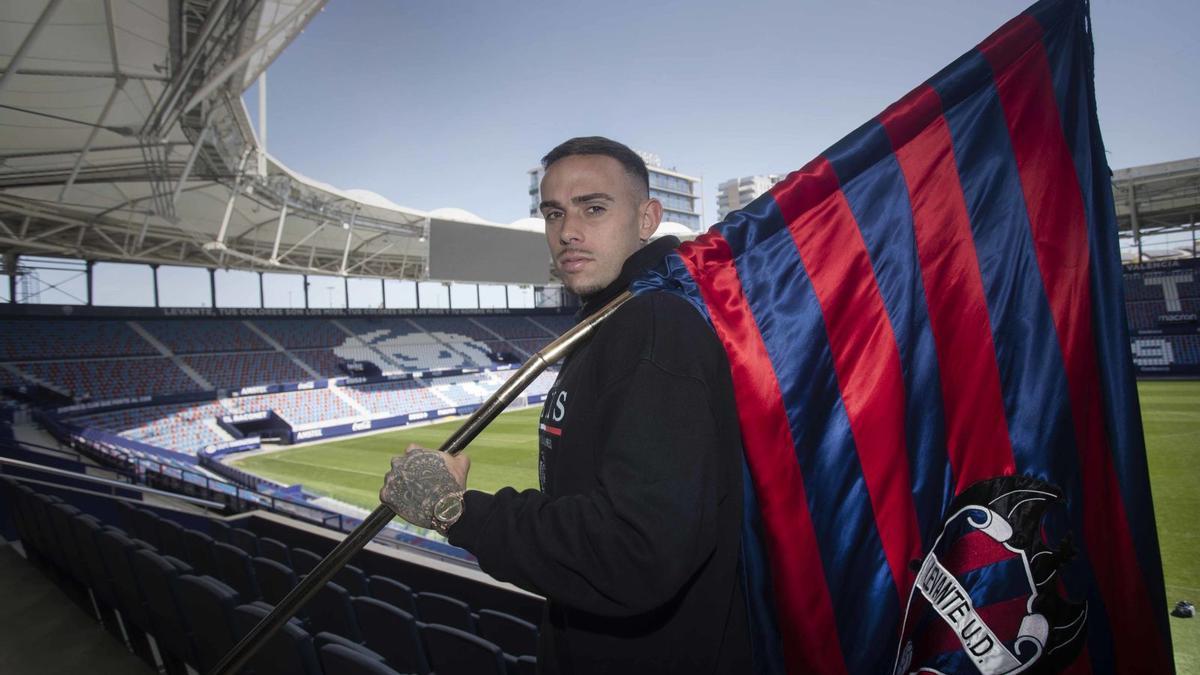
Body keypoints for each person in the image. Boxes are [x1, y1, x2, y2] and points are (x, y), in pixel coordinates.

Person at [380, 136, 750, 673]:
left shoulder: (653, 325)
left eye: (593, 208)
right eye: (553, 213)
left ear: (648, 218)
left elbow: (636, 550)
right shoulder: (612, 318)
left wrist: (456, 510)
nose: (567, 232)